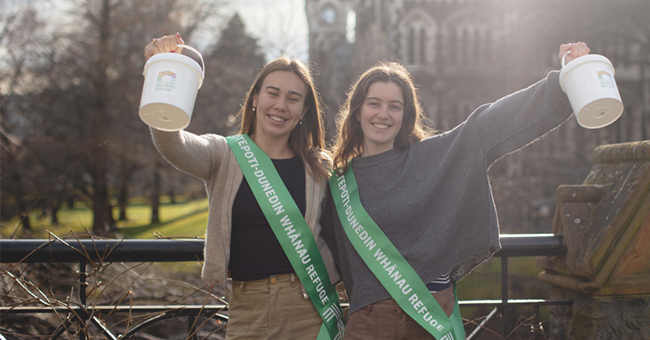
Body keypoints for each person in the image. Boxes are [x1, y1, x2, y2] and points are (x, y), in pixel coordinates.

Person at [321, 42, 591, 339]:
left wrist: (563, 80)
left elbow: (494, 123)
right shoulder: (337, 182)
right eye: (374, 103)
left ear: (405, 115)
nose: (383, 114)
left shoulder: (432, 157)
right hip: (370, 322)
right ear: (357, 111)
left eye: (394, 106)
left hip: (431, 314)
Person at [143, 34, 344, 340]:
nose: (280, 105)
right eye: (272, 93)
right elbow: (173, 144)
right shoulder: (223, 154)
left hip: (310, 307)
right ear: (254, 98)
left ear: (304, 111)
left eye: (293, 98)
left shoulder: (319, 167)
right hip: (248, 309)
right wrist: (165, 71)